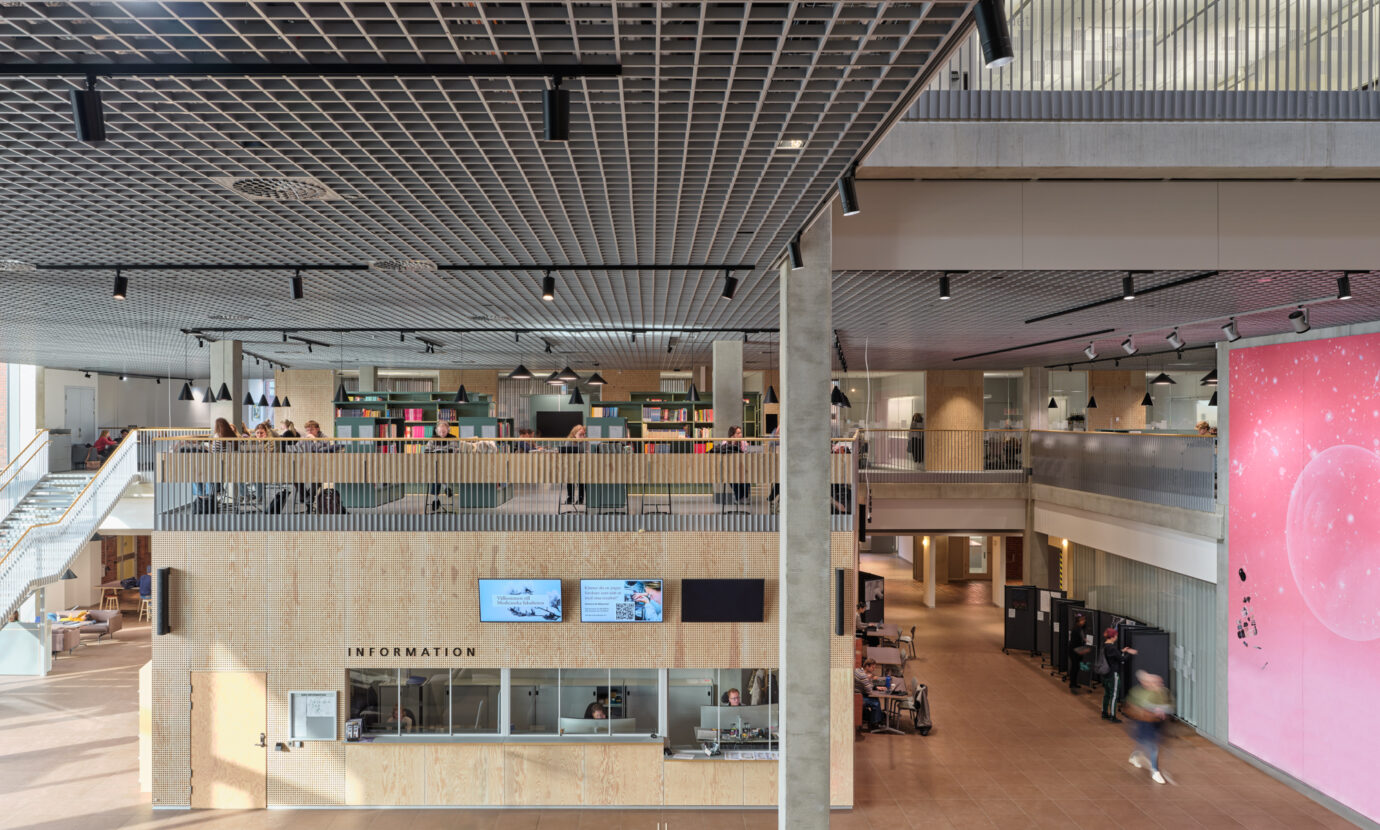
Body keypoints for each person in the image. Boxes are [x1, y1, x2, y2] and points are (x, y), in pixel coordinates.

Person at [1125, 671, 1174, 784]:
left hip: (1158, 723)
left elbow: (1170, 706)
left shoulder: (1164, 692)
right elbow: (1132, 707)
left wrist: (1162, 710)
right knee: (1153, 746)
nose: (1156, 684)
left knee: (1144, 741)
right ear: (1143, 682)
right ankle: (1155, 771)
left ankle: (1135, 755)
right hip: (1144, 723)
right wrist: (1149, 711)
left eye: (1157, 682)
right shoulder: (1138, 692)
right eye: (1150, 682)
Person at [1099, 627, 1136, 723]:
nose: (1117, 637)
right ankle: (1113, 716)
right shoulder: (1112, 647)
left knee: (1107, 694)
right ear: (1112, 637)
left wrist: (1122, 651)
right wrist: (1130, 653)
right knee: (1114, 695)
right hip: (1113, 674)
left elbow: (1114, 655)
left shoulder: (1104, 645)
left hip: (1105, 673)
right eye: (1116, 636)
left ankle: (1104, 712)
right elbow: (1122, 659)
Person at [425, 420, 455, 513]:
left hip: (448, 465)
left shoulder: (452, 438)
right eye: (440, 432)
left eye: (444, 432)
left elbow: (454, 450)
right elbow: (427, 450)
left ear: (448, 430)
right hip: (435, 464)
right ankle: (445, 487)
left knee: (437, 474)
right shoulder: (433, 439)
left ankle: (435, 500)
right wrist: (432, 453)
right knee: (437, 473)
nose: (442, 434)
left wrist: (445, 452)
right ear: (437, 431)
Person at [853, 658, 884, 730]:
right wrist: (870, 679)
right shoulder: (863, 676)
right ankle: (874, 724)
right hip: (857, 697)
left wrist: (876, 687)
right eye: (873, 667)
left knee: (875, 699)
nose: (874, 669)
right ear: (867, 666)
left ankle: (875, 720)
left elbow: (866, 685)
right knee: (876, 703)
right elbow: (869, 691)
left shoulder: (858, 670)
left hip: (856, 694)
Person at [562, 424, 587, 506]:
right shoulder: (569, 441)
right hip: (571, 463)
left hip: (582, 464)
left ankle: (580, 498)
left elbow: (587, 452)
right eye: (580, 434)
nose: (583, 436)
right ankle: (570, 497)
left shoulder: (586, 441)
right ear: (574, 434)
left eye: (584, 434)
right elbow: (566, 452)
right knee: (570, 479)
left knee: (581, 481)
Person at [1067, 613, 1090, 693]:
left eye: (1084, 619)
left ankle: (1074, 683)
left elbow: (1081, 638)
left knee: (1076, 668)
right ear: (1078, 621)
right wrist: (1083, 649)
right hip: (1074, 652)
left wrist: (1084, 640)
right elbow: (1075, 643)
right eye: (1082, 620)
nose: (1084, 621)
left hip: (1077, 651)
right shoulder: (1076, 629)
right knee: (1074, 668)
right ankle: (1072, 684)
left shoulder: (1080, 628)